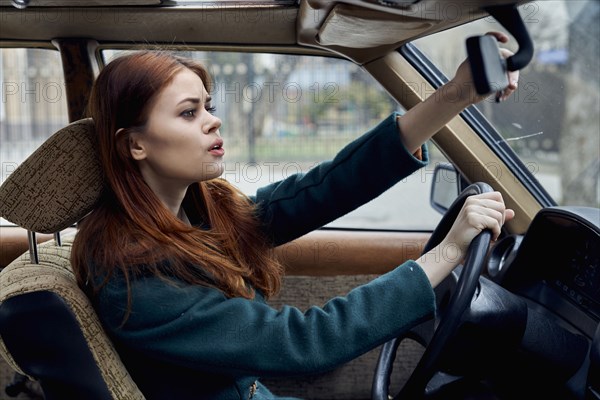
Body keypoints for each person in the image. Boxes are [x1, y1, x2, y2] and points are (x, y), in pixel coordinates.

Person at [71, 32, 518, 399]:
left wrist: (457, 94)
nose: (212, 121)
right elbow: (305, 342)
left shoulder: (198, 214)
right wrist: (449, 253)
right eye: (189, 113)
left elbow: (322, 190)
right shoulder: (133, 275)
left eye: (209, 107)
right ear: (134, 145)